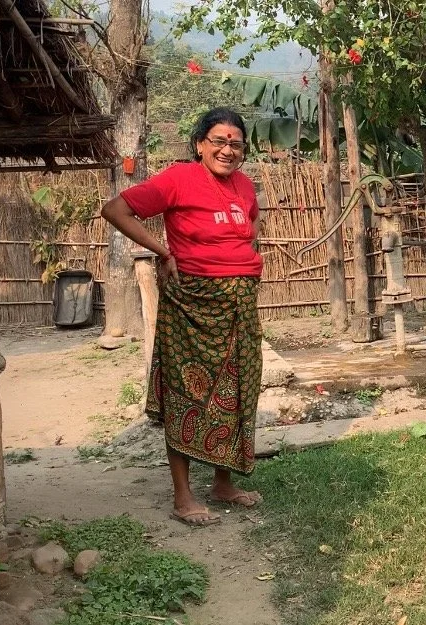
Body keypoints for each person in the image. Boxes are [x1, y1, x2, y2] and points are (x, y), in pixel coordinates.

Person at [101, 107, 264, 526]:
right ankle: (182, 496)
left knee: (237, 387)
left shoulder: (245, 185)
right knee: (188, 393)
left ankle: (223, 483)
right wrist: (163, 252)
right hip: (192, 303)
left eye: (236, 143)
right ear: (199, 145)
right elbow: (116, 209)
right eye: (219, 141)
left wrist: (246, 262)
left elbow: (251, 226)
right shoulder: (178, 178)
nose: (228, 150)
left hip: (240, 304)